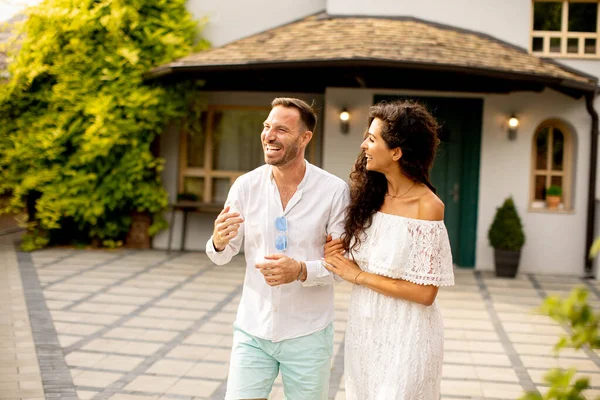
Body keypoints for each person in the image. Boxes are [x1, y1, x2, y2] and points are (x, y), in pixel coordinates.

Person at [206, 97, 349, 400]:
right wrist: (218, 241)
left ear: (305, 137)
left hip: (308, 332)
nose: (269, 136)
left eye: (281, 130)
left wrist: (300, 270)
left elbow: (342, 266)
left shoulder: (334, 191)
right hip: (252, 329)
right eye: (267, 127)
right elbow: (223, 252)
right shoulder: (245, 186)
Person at [323, 100, 454, 400]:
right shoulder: (369, 198)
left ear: (396, 152)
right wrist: (337, 252)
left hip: (409, 334)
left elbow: (425, 293)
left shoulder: (428, 207)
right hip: (364, 328)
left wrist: (357, 276)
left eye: (372, 139)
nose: (363, 145)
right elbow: (362, 260)